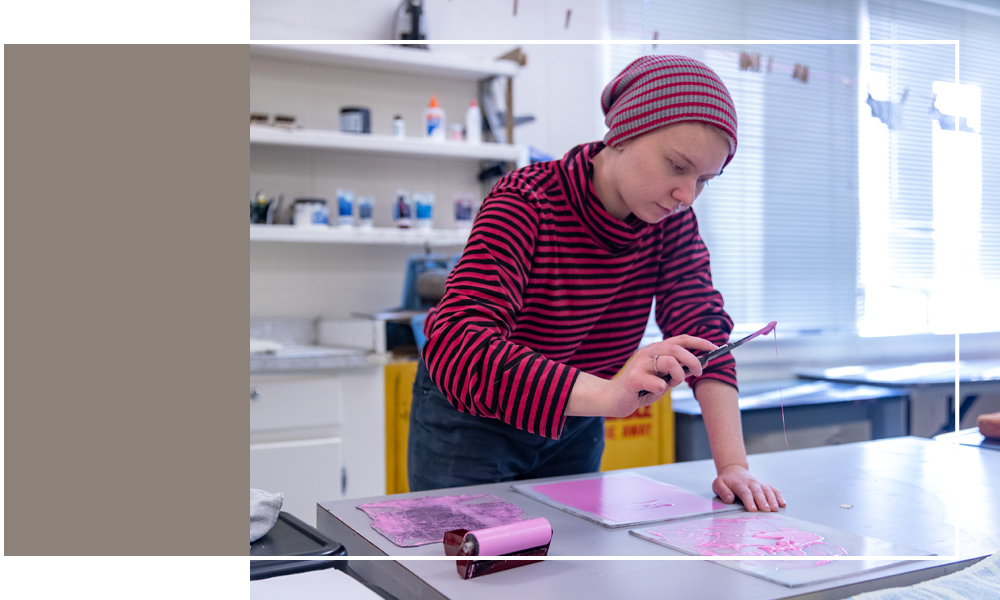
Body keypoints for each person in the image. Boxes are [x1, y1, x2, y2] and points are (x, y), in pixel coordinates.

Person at [407, 55, 785, 513]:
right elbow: (458, 346)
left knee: (565, 570)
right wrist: (609, 394)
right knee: (467, 577)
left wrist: (733, 467)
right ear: (623, 132)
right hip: (473, 424)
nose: (687, 195)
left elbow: (703, 332)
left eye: (705, 179)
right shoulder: (524, 201)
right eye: (676, 166)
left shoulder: (668, 219)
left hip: (575, 420)